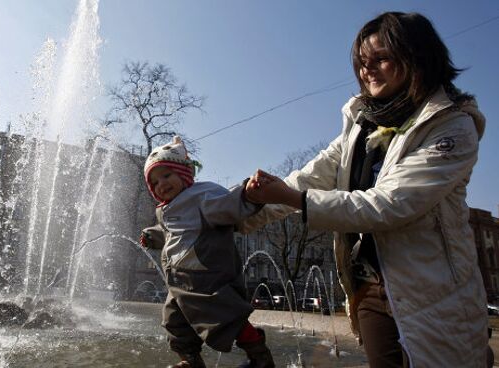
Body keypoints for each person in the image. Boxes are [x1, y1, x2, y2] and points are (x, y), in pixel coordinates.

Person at [241, 12, 489, 368]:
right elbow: (310, 177)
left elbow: (390, 204)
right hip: (370, 289)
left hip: (434, 294)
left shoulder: (452, 125)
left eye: (381, 59)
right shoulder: (361, 124)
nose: (366, 70)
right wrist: (235, 213)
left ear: (417, 57)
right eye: (361, 62)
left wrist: (292, 199)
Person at [140, 136, 275, 368]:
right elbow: (171, 233)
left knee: (227, 319)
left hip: (207, 278)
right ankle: (190, 360)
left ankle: (259, 357)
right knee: (174, 323)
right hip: (180, 282)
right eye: (154, 182)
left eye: (166, 175)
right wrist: (153, 236)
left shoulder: (203, 197)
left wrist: (249, 194)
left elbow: (229, 205)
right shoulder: (166, 210)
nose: (161, 184)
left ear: (184, 173)